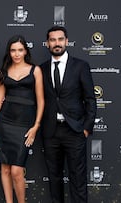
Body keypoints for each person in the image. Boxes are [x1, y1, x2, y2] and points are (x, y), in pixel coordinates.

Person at [40, 26, 97, 203]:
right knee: (54, 179)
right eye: (52, 40)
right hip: (51, 132)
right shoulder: (40, 69)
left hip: (75, 130)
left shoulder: (80, 66)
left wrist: (86, 128)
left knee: (78, 179)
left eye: (60, 39)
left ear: (66, 41)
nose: (56, 43)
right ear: (47, 43)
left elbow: (90, 99)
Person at [0, 35, 44, 203]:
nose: (16, 54)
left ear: (25, 51)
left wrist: (35, 127)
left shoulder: (35, 70)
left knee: (16, 171)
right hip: (4, 123)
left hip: (25, 125)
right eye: (13, 50)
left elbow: (41, 100)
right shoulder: (3, 71)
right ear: (9, 52)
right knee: (5, 169)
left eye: (20, 50)